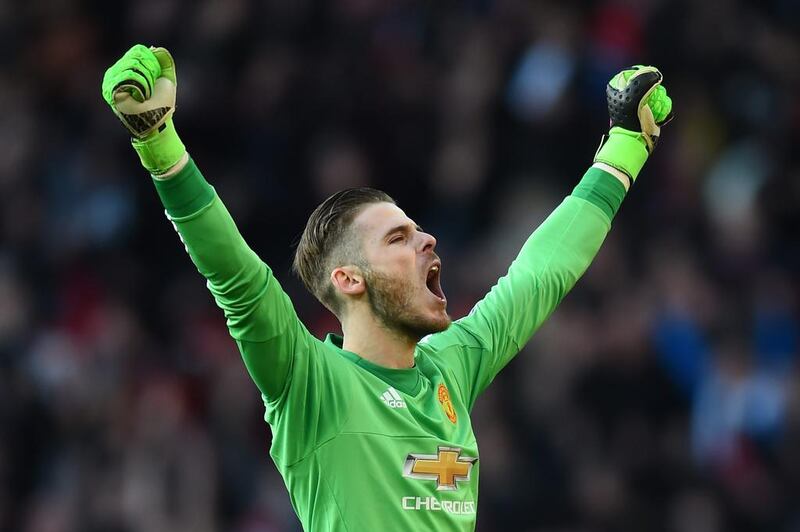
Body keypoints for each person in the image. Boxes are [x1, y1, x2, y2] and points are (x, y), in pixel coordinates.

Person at [101, 44, 673, 531]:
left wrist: (625, 145)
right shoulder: (310, 383)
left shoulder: (452, 364)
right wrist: (161, 146)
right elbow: (236, 277)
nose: (427, 242)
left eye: (420, 231)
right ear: (348, 279)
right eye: (398, 238)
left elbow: (541, 274)